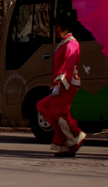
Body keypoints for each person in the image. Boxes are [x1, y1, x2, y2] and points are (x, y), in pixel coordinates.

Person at [35, 13, 86, 157]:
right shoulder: (65, 43)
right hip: (63, 83)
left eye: (57, 27)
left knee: (55, 112)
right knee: (48, 108)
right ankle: (63, 144)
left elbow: (68, 64)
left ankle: (74, 137)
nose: (55, 30)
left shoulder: (71, 44)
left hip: (67, 83)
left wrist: (60, 82)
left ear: (65, 28)